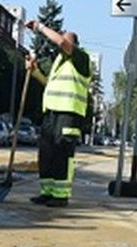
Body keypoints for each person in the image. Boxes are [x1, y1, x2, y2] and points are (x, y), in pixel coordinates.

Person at [24, 19, 92, 207]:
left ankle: (61, 196)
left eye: (67, 40)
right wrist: (35, 72)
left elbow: (62, 42)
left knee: (62, 152)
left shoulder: (81, 59)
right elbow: (49, 84)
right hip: (51, 113)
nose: (62, 42)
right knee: (46, 153)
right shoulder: (59, 63)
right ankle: (47, 192)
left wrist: (40, 27)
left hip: (69, 113)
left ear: (75, 45)